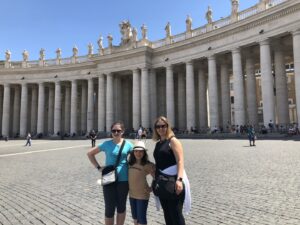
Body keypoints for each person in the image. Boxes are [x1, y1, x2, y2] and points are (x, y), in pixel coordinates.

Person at [87, 121, 133, 225]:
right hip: (108, 178)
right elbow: (90, 153)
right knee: (109, 207)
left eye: (118, 130)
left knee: (121, 206)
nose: (116, 132)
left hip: (123, 179)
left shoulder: (129, 145)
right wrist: (99, 168)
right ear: (111, 132)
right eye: (114, 131)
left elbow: (139, 156)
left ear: (123, 131)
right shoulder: (106, 144)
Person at [152, 116, 191, 225]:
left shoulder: (173, 141)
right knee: (167, 214)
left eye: (163, 126)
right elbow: (159, 162)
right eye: (158, 126)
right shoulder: (158, 143)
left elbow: (180, 161)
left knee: (176, 214)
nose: (160, 129)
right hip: (162, 183)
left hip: (173, 181)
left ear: (168, 127)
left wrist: (179, 179)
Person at [128, 140, 155, 225]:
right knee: (135, 218)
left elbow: (157, 177)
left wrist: (152, 188)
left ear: (144, 153)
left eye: (141, 151)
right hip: (132, 194)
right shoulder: (129, 164)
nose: (138, 153)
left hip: (142, 195)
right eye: (136, 151)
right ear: (133, 152)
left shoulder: (148, 165)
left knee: (142, 218)